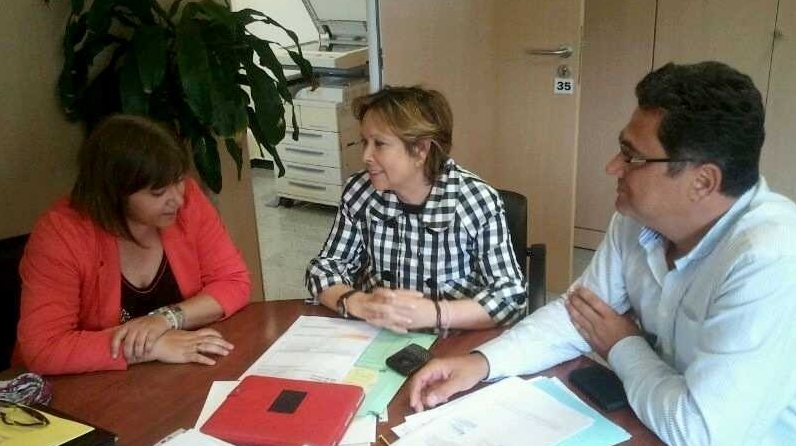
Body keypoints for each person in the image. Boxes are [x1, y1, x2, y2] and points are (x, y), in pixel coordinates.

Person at [409, 61, 796, 446]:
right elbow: (579, 315)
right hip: (657, 409)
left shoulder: (771, 257)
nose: (613, 167)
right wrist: (482, 362)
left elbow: (703, 434)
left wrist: (622, 345)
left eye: (632, 156)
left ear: (702, 181)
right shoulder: (639, 217)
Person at [17, 114, 252, 374]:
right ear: (115, 194)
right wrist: (150, 346)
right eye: (158, 192)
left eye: (178, 181)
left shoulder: (188, 201)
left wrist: (167, 319)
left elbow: (233, 281)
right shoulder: (61, 234)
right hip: (91, 386)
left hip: (178, 373)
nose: (177, 199)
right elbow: (44, 348)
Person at [305, 86, 526, 333]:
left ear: (421, 149)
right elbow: (323, 269)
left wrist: (436, 313)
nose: (366, 156)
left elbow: (511, 297)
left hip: (452, 339)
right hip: (376, 335)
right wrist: (358, 303)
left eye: (379, 144)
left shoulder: (475, 200)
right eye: (365, 142)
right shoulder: (360, 191)